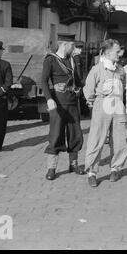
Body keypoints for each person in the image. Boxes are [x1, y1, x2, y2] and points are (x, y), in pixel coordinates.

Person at [83, 39, 127, 188]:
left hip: (118, 106)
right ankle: (92, 172)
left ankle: (115, 168)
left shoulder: (121, 70)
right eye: (117, 51)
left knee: (120, 138)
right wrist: (93, 102)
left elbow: (125, 87)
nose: (120, 54)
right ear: (108, 53)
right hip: (102, 104)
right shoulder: (97, 69)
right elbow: (88, 89)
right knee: (97, 138)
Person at [41, 35, 85, 181]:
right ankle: (51, 168)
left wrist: (80, 88)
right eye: (72, 46)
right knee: (56, 135)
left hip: (72, 102)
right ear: (65, 44)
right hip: (58, 103)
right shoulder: (51, 59)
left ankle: (74, 164)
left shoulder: (73, 60)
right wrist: (49, 99)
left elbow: (78, 81)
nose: (74, 49)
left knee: (75, 134)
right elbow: (43, 81)